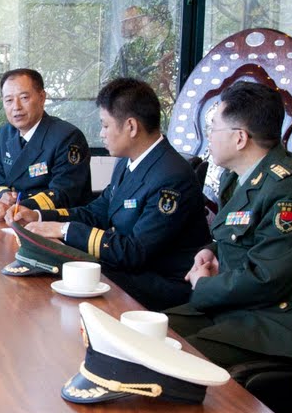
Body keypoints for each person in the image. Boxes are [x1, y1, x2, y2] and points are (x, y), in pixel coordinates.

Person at [164, 82, 292, 367]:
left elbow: (267, 278)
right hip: (240, 306)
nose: (209, 136)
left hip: (280, 322)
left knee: (172, 360)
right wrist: (212, 251)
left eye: (214, 128)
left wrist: (204, 285)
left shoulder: (291, 191)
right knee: (144, 335)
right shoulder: (239, 176)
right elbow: (243, 236)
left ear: (240, 138)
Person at [11, 78, 208, 309]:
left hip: (159, 283)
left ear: (131, 127)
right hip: (128, 268)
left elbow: (135, 251)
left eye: (105, 126)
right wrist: (39, 216)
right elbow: (98, 211)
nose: (101, 134)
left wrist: (64, 230)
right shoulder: (128, 161)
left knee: (59, 279)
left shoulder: (171, 177)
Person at [0, 68, 91, 220]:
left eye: (24, 98)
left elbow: (64, 193)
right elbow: (1, 182)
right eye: (9, 100)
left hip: (53, 222)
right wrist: (4, 196)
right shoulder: (5, 134)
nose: (16, 107)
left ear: (42, 98)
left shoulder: (67, 137)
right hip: (14, 220)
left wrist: (17, 207)